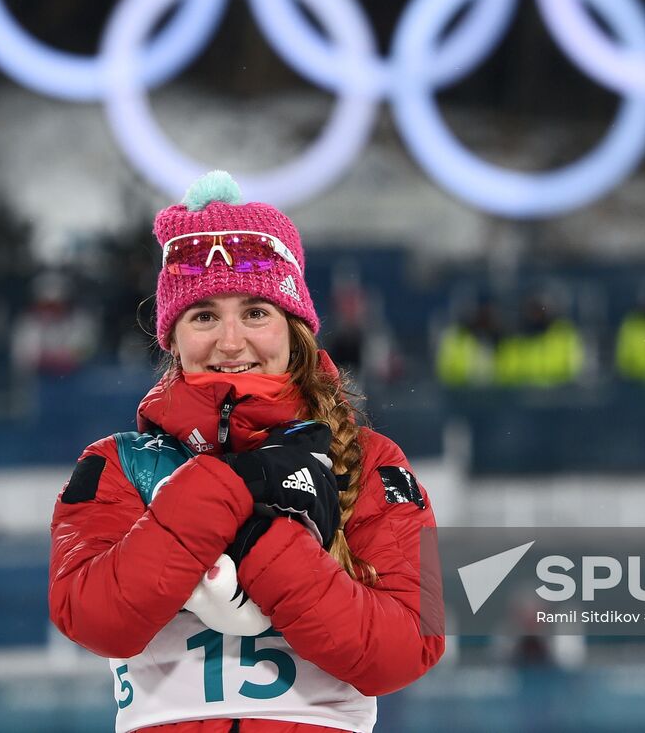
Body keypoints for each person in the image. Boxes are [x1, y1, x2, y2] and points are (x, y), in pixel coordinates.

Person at [49, 171, 444, 732]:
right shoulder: (116, 465)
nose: (230, 342)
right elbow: (93, 618)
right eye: (204, 315)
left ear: (294, 328)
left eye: (255, 313)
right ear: (174, 335)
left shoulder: (377, 462)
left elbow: (410, 648)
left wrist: (261, 542)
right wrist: (238, 486)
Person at [494, 294, 584, 387]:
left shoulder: (564, 334)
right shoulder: (512, 342)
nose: (535, 316)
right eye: (531, 311)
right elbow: (504, 377)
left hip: (558, 391)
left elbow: (576, 370)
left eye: (539, 310)